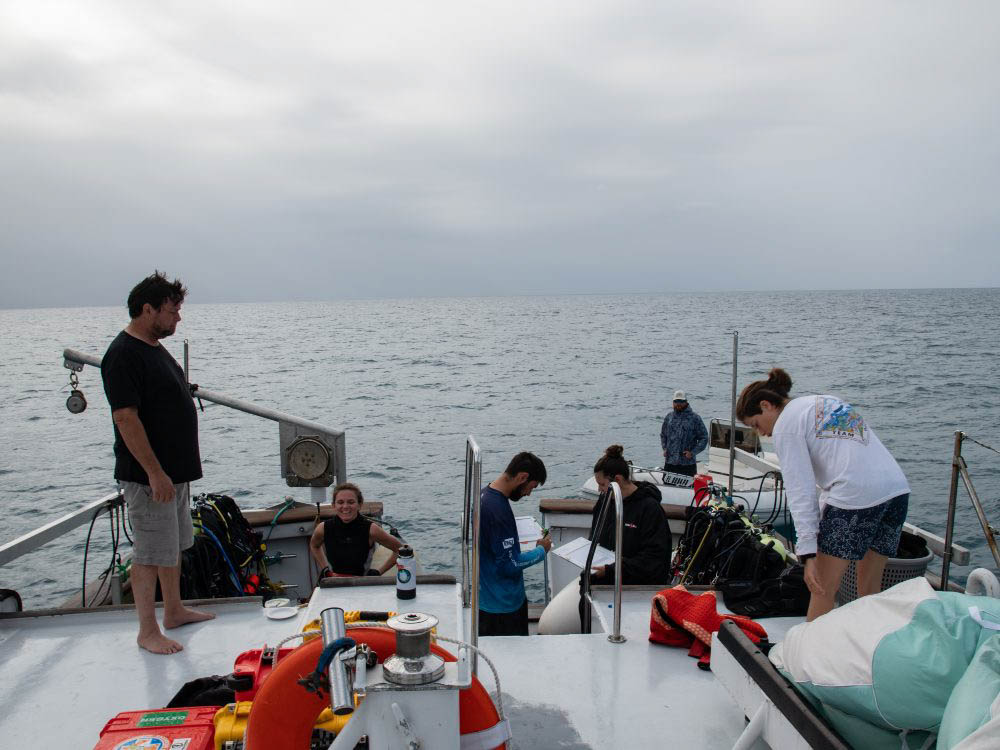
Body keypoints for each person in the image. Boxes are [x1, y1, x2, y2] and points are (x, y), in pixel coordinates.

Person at [736, 368, 910, 621]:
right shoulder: (825, 401)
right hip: (896, 490)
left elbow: (800, 491)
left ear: (766, 405)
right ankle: (869, 646)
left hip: (856, 496)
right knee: (870, 589)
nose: (761, 433)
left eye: (755, 424)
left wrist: (807, 554)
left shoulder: (786, 424)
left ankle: (806, 656)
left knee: (821, 587)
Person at [101, 271, 214, 655]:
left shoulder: (153, 346)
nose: (177, 318)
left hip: (174, 472)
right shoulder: (122, 355)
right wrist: (154, 472)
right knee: (150, 552)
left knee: (173, 545)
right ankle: (147, 631)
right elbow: (125, 418)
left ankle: (175, 609)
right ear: (147, 309)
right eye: (172, 310)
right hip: (150, 477)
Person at [478, 452, 552, 636]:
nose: (528, 493)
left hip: (486, 600)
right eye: (531, 487)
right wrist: (541, 551)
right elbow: (509, 565)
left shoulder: (484, 495)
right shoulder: (497, 510)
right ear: (522, 477)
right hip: (504, 608)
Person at [587, 445, 672, 584]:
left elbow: (654, 560)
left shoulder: (650, 509)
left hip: (632, 583)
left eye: (602, 484)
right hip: (604, 576)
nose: (599, 489)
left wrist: (613, 570)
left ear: (618, 480)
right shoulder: (605, 501)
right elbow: (594, 536)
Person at [309, 482, 403, 577]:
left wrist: (378, 572)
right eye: (340, 502)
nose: (345, 507)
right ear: (334, 505)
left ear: (359, 504)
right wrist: (325, 568)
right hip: (333, 582)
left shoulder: (371, 529)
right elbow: (314, 546)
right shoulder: (323, 528)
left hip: (360, 584)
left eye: (351, 502)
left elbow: (400, 550)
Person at [660, 390, 708, 476]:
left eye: (681, 401)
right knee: (668, 487)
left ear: (686, 402)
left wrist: (692, 453)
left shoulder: (695, 418)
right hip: (670, 462)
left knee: (688, 489)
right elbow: (663, 435)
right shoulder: (669, 417)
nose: (678, 403)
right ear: (673, 402)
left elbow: (704, 438)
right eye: (676, 401)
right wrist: (664, 448)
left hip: (687, 464)